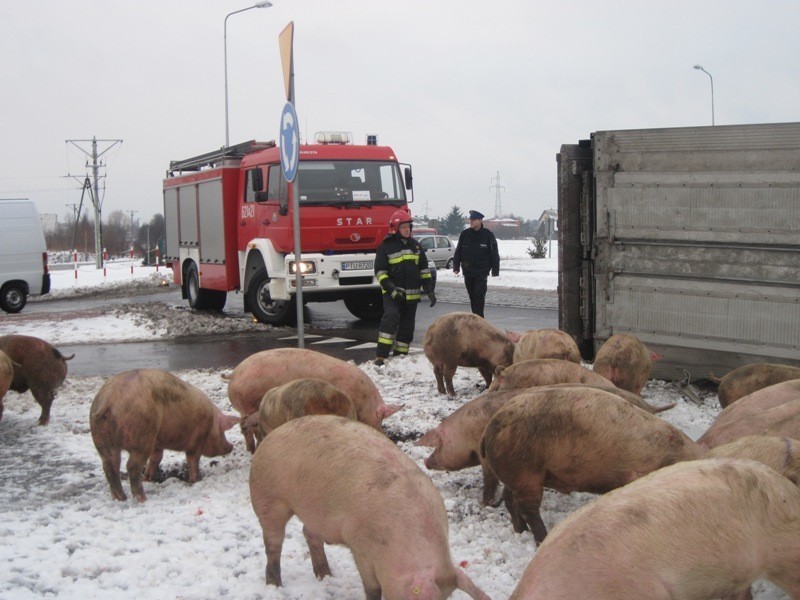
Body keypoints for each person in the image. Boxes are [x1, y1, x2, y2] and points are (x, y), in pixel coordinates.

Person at [373, 210, 436, 366]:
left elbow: (424, 269)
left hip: (412, 296)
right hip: (392, 294)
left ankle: (401, 356)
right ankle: (381, 355)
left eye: (409, 226)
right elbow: (380, 272)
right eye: (404, 227)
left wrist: (429, 289)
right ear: (395, 228)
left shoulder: (416, 246)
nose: (407, 230)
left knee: (407, 326)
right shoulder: (386, 247)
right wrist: (393, 290)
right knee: (391, 317)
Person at [452, 209, 500, 318]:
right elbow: (458, 251)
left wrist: (495, 270)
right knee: (472, 297)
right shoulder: (465, 234)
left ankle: (479, 321)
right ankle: (476, 319)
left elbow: (494, 253)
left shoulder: (488, 235)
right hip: (468, 272)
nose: (471, 221)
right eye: (470, 219)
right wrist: (456, 266)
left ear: (480, 221)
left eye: (473, 219)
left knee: (479, 296)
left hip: (481, 273)